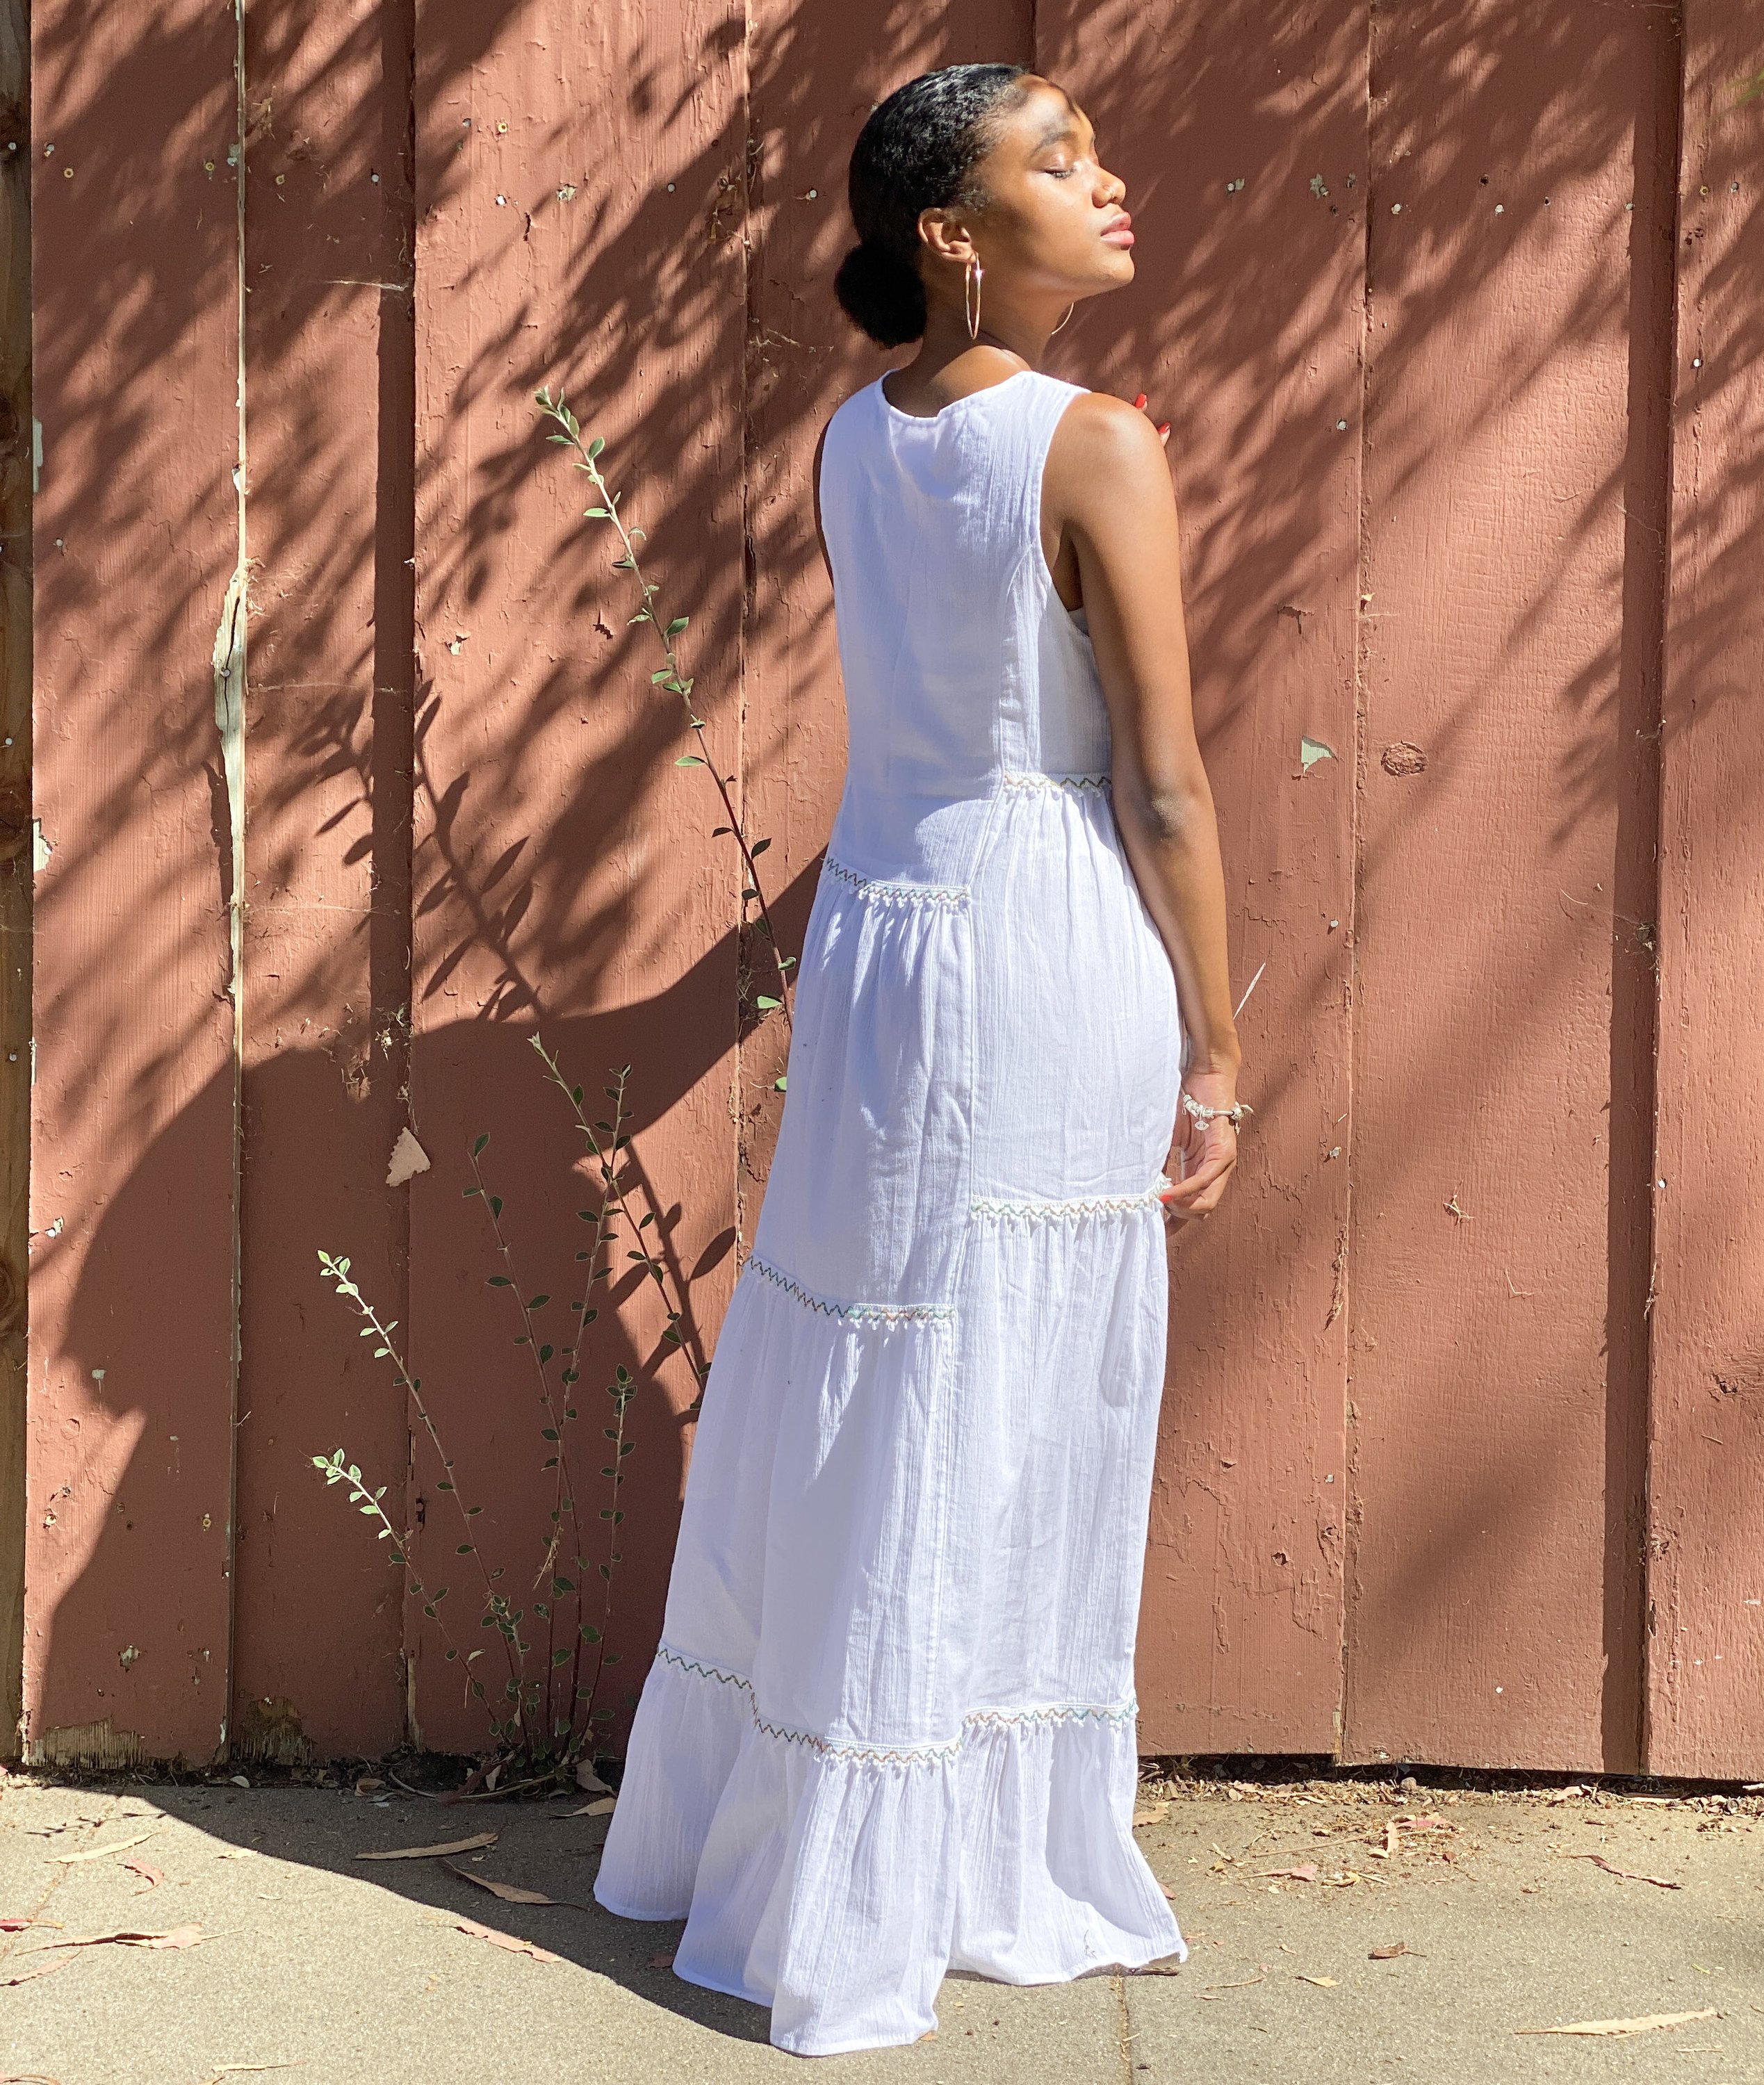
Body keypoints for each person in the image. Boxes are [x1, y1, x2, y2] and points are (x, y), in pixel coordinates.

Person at [594, 61, 1246, 2057]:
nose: (1107, 178)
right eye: (1057, 161)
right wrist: (1219, 1047)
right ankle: (943, 1871)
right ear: (949, 234)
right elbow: (1152, 778)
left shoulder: (853, 434)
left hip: (885, 948)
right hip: (1041, 949)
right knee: (1004, 1393)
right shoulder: (1094, 443)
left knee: (877, 1374)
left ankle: (829, 1849)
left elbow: (925, 716)